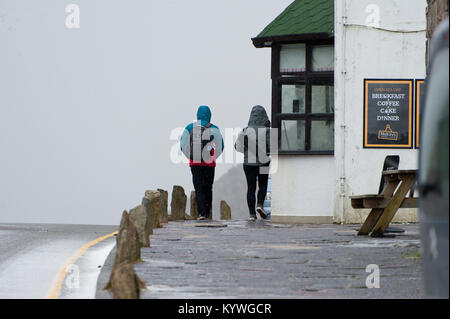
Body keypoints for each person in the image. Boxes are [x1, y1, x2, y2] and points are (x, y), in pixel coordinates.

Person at [180, 105, 224, 220]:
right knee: (208, 187)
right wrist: (212, 158)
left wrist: (191, 157)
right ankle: (207, 212)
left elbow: (182, 146)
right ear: (209, 115)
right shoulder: (214, 128)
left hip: (194, 164)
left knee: (198, 187)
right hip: (209, 164)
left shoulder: (189, 127)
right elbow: (221, 146)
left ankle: (201, 214)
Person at [235, 105, 271, 221]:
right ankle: (260, 204)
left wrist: (248, 151)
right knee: (263, 185)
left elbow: (237, 147)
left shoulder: (245, 130)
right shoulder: (267, 131)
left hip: (248, 164)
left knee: (251, 187)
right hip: (264, 163)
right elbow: (272, 148)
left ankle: (251, 214)